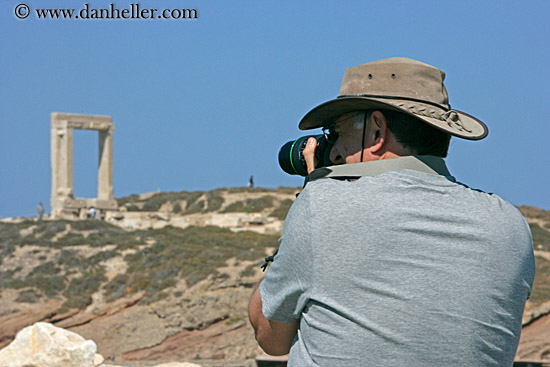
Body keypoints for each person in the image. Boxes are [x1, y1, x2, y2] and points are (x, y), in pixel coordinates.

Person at [248, 57, 535, 366]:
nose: (333, 150)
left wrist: (314, 192)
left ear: (376, 131)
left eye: (336, 132)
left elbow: (271, 338)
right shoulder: (508, 223)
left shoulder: (323, 206)